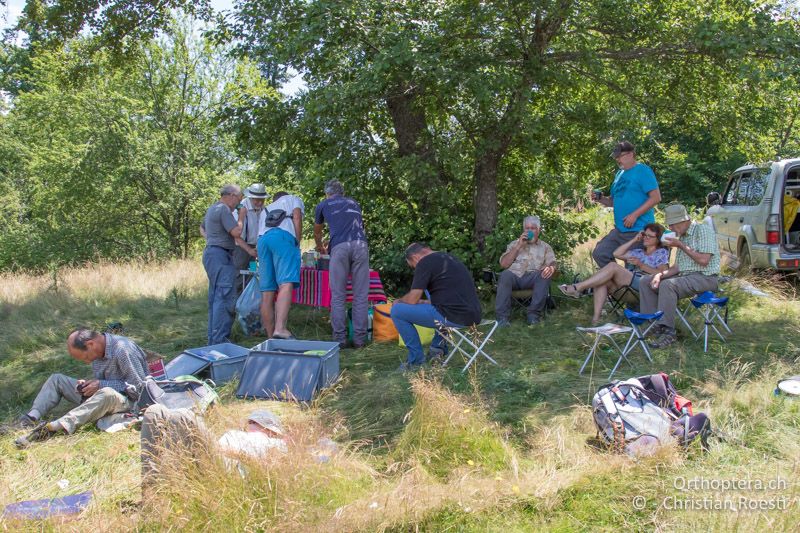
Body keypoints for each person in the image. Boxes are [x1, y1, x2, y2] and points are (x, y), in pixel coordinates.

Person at [10, 328, 149, 448]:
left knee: (106, 393)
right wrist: (87, 385)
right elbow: (103, 381)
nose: (86, 361)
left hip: (129, 402)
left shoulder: (123, 350)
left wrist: (101, 385)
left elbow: (139, 388)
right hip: (103, 396)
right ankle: (30, 418)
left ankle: (55, 428)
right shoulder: (99, 350)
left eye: (85, 357)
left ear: (90, 344)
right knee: (56, 379)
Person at [640, 204, 721, 349]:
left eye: (672, 225)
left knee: (669, 285)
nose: (670, 228)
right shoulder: (682, 236)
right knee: (646, 280)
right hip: (685, 276)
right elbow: (677, 268)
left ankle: (668, 332)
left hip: (706, 277)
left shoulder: (702, 231)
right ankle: (653, 324)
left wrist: (681, 245)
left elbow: (704, 260)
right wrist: (659, 274)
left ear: (683, 221)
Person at [391, 243, 482, 371]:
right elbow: (447, 296)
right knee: (431, 293)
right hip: (474, 316)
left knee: (397, 311)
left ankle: (416, 362)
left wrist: (399, 301)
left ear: (415, 257)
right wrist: (423, 302)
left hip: (452, 316)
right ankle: (437, 350)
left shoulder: (424, 263)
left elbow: (412, 299)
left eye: (413, 266)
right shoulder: (450, 259)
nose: (415, 268)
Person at [141, 407, 287, 486]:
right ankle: (151, 488)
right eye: (250, 421)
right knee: (154, 412)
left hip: (229, 467)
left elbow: (266, 469)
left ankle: (170, 484)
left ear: (270, 429)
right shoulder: (237, 434)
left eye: (255, 422)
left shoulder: (276, 443)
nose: (250, 424)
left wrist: (234, 453)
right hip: (209, 456)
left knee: (183, 416)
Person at [559, 223, 670, 324]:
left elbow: (663, 273)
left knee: (613, 266)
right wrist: (634, 240)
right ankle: (595, 320)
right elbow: (616, 253)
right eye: (644, 235)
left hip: (644, 285)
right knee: (602, 282)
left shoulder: (661, 253)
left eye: (650, 236)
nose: (646, 238)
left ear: (658, 239)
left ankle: (579, 288)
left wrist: (641, 265)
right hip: (628, 288)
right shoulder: (638, 252)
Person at [313, 179, 369, 349]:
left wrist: (320, 246)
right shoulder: (353, 202)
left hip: (339, 247)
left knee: (338, 296)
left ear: (327, 193)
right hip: (361, 245)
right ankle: (360, 340)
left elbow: (317, 230)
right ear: (342, 192)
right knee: (360, 296)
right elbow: (361, 225)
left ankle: (340, 339)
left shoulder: (323, 204)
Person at [592, 141, 662, 268]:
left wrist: (634, 215)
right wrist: (600, 199)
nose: (618, 160)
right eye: (616, 157)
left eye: (620, 156)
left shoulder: (643, 170)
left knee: (633, 266)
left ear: (631, 154)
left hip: (639, 229)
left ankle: (626, 283)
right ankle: (616, 281)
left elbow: (656, 197)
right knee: (600, 253)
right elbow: (614, 201)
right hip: (620, 229)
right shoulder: (619, 174)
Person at [258, 191, 304, 339]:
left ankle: (271, 338)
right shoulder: (293, 198)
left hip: (263, 241)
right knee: (285, 284)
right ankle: (280, 329)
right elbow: (297, 217)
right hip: (282, 238)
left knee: (267, 292)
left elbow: (259, 235)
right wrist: (296, 241)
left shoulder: (265, 209)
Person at [495, 216, 557, 326]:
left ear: (538, 230)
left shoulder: (545, 247)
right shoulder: (515, 244)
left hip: (533, 277)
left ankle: (533, 315)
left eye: (532, 228)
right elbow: (504, 264)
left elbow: (552, 262)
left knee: (544, 275)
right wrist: (518, 246)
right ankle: (502, 318)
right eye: (527, 228)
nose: (529, 231)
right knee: (505, 275)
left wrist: (551, 268)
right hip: (515, 276)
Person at [202, 184, 244, 344]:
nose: (238, 205)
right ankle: (220, 341)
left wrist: (212, 239)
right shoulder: (224, 209)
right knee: (225, 297)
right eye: (239, 201)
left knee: (216, 298)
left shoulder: (212, 208)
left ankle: (213, 339)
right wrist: (242, 216)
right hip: (220, 256)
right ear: (232, 195)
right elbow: (236, 232)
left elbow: (202, 229)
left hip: (213, 254)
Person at [232, 183, 269, 272]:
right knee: (239, 273)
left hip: (255, 248)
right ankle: (239, 287)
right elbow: (235, 236)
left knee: (252, 272)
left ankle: (250, 286)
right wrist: (249, 250)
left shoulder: (264, 209)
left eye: (262, 200)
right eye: (257, 200)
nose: (260, 202)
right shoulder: (240, 208)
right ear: (250, 197)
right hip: (240, 248)